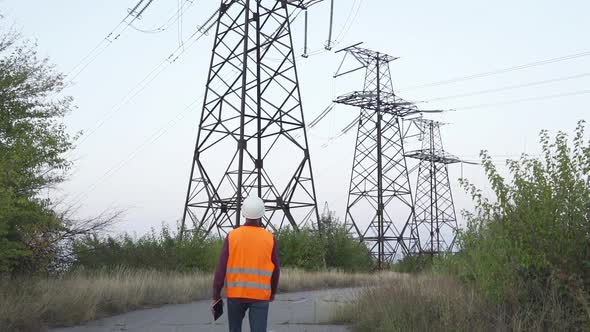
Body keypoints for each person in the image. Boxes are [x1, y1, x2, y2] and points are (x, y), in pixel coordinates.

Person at [212, 196, 280, 332]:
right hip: (260, 296)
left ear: (243, 213)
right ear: (262, 214)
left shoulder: (232, 236)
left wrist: (216, 295)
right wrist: (272, 292)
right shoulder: (269, 238)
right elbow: (276, 270)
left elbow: (220, 270)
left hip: (235, 295)